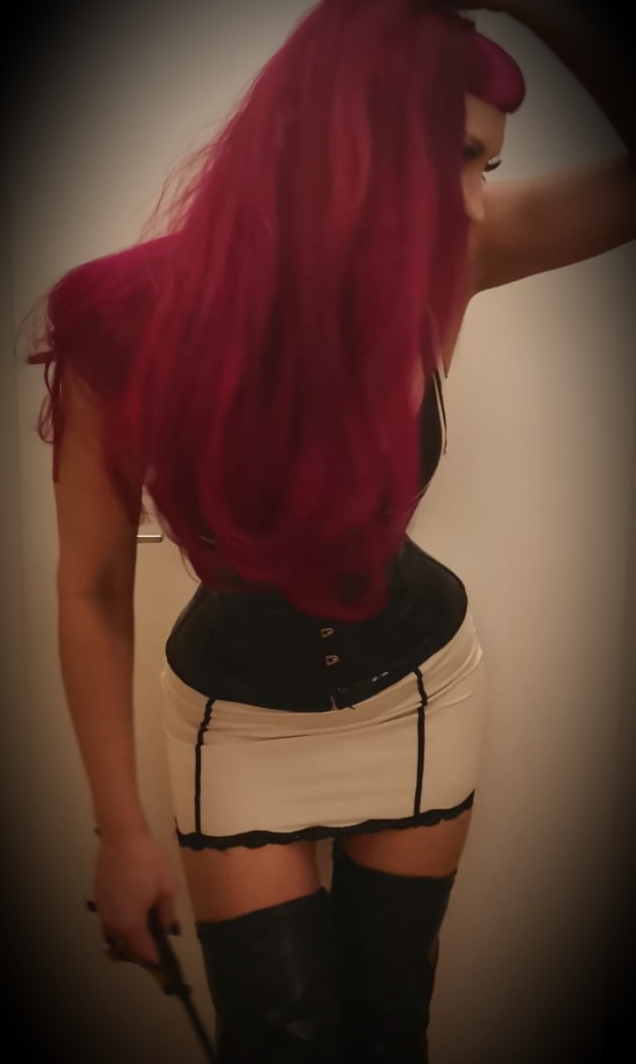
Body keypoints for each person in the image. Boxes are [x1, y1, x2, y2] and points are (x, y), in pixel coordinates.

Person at [26, 1, 635, 1061]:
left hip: (420, 694)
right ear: (349, 133)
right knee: (278, 1036)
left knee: (391, 1023)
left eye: (489, 165)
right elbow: (90, 585)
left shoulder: (448, 261)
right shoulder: (118, 324)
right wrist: (119, 832)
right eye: (456, 155)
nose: (475, 202)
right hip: (236, 727)